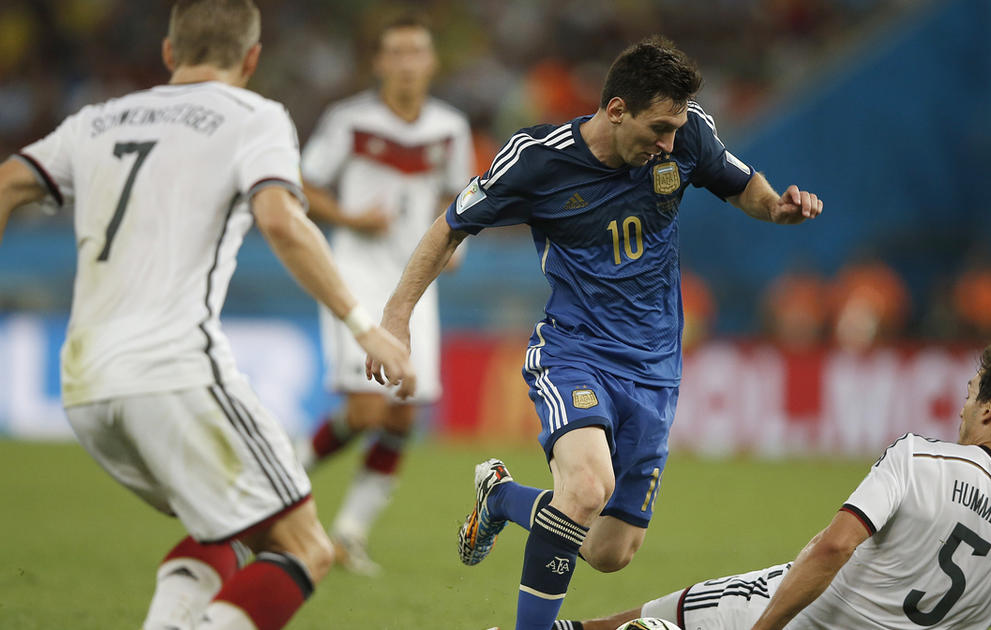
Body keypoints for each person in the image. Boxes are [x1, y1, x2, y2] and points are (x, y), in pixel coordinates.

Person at [367, 36, 824, 630]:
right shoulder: (537, 160)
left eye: (676, 128)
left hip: (656, 366)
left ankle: (502, 498)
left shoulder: (687, 134)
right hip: (575, 349)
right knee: (585, 489)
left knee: (610, 551)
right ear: (615, 110)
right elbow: (450, 226)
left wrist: (778, 208)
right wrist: (396, 316)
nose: (668, 142)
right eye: (658, 128)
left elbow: (744, 188)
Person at [0, 1, 411, 628]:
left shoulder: (96, 121)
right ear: (252, 59)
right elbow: (280, 218)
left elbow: (7, 184)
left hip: (84, 385)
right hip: (173, 370)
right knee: (305, 548)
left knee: (224, 524)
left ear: (169, 54)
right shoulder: (255, 116)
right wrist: (365, 326)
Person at [557, 341, 991, 630]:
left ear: (989, 410)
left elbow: (835, 545)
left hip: (801, 615)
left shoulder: (919, 460)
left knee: (636, 624)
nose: (962, 407)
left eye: (970, 393)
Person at [293, 10, 473, 575]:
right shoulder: (348, 121)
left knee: (402, 417)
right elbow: (301, 183)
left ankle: (348, 535)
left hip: (416, 285)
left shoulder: (450, 128)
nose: (405, 63)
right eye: (394, 52)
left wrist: (457, 244)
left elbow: (462, 200)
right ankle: (280, 480)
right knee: (369, 408)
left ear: (431, 62)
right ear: (378, 63)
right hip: (357, 277)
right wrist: (349, 216)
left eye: (415, 52)